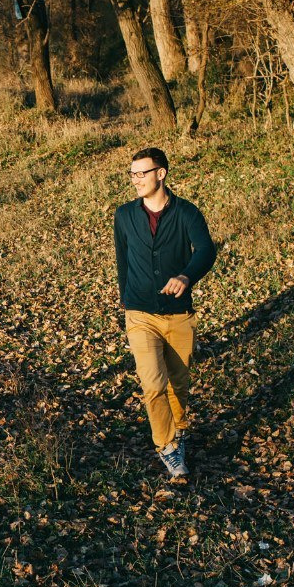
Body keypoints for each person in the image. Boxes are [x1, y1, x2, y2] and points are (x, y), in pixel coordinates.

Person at [114, 147, 216, 478]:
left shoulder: (187, 213)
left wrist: (186, 276)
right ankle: (168, 447)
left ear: (161, 174)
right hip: (140, 313)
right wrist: (126, 301)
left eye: (142, 173)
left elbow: (205, 250)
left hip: (179, 314)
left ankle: (179, 429)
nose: (136, 180)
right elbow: (123, 261)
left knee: (178, 385)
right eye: (132, 174)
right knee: (153, 383)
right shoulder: (125, 215)